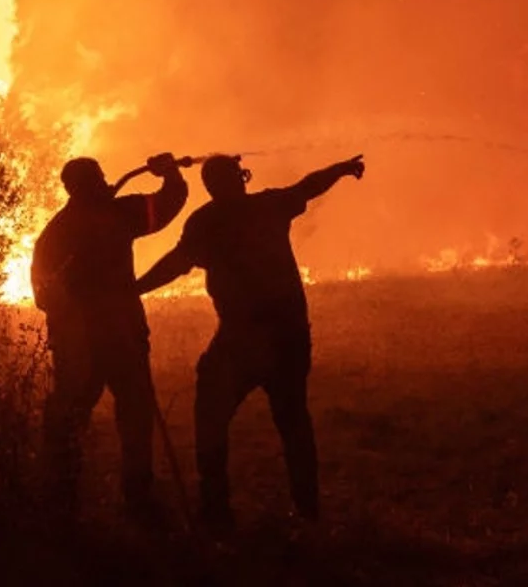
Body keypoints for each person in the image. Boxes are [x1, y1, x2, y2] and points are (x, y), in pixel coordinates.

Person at [134, 153, 365, 528]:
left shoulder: (207, 221)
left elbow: (177, 263)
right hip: (288, 333)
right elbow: (309, 185)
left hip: (240, 339)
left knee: (211, 414)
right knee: (293, 420)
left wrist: (135, 288)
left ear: (209, 186)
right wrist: (339, 169)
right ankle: (307, 511)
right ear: (241, 178)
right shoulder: (269, 206)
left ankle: (216, 510)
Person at [30, 153, 188, 518]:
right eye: (98, 179)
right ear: (84, 186)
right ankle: (131, 494)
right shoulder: (116, 215)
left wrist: (172, 176)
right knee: (129, 412)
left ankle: (63, 493)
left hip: (88, 342)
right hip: (115, 338)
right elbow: (166, 206)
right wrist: (171, 175)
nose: (105, 183)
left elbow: (42, 295)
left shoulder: (57, 233)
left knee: (77, 415)